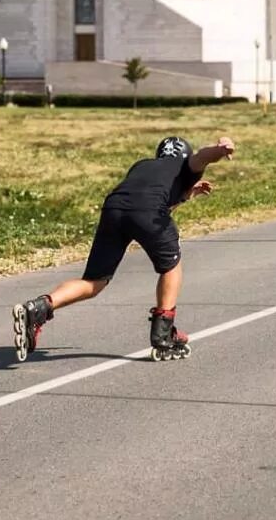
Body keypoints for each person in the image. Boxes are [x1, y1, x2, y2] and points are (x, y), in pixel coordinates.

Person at [12, 134, 235, 362]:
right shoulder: (184, 165)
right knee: (171, 266)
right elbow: (201, 158)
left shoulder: (143, 166)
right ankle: (163, 335)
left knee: (93, 282)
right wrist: (220, 149)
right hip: (148, 210)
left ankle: (38, 308)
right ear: (184, 154)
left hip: (114, 208)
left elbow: (152, 200)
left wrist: (186, 195)